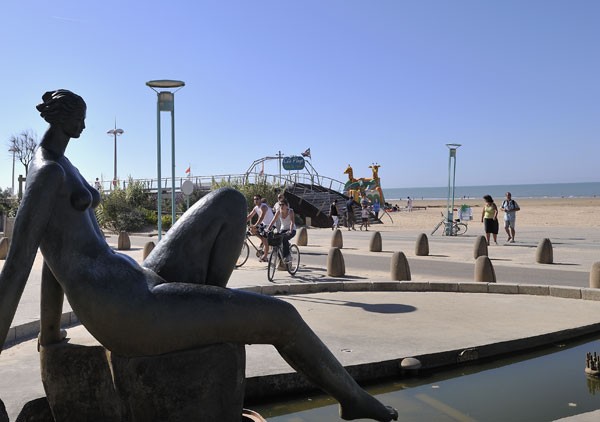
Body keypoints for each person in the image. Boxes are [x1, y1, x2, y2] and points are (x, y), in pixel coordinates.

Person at [0, 90, 398, 422]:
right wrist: (48, 340)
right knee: (283, 319)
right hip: (125, 312)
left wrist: (50, 335)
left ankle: (200, 316)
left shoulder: (61, 164)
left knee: (228, 202)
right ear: (63, 117)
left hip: (141, 279)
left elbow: (58, 251)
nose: (85, 126)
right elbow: (20, 265)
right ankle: (351, 398)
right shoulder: (46, 174)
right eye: (80, 118)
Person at [246, 194, 274, 261]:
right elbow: (250, 216)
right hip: (263, 224)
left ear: (260, 200)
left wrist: (255, 225)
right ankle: (263, 241)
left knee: (264, 239)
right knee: (252, 230)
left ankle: (265, 256)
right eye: (254, 199)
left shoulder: (263, 206)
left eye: (257, 199)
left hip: (270, 224)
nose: (255, 200)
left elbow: (261, 217)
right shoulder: (256, 208)